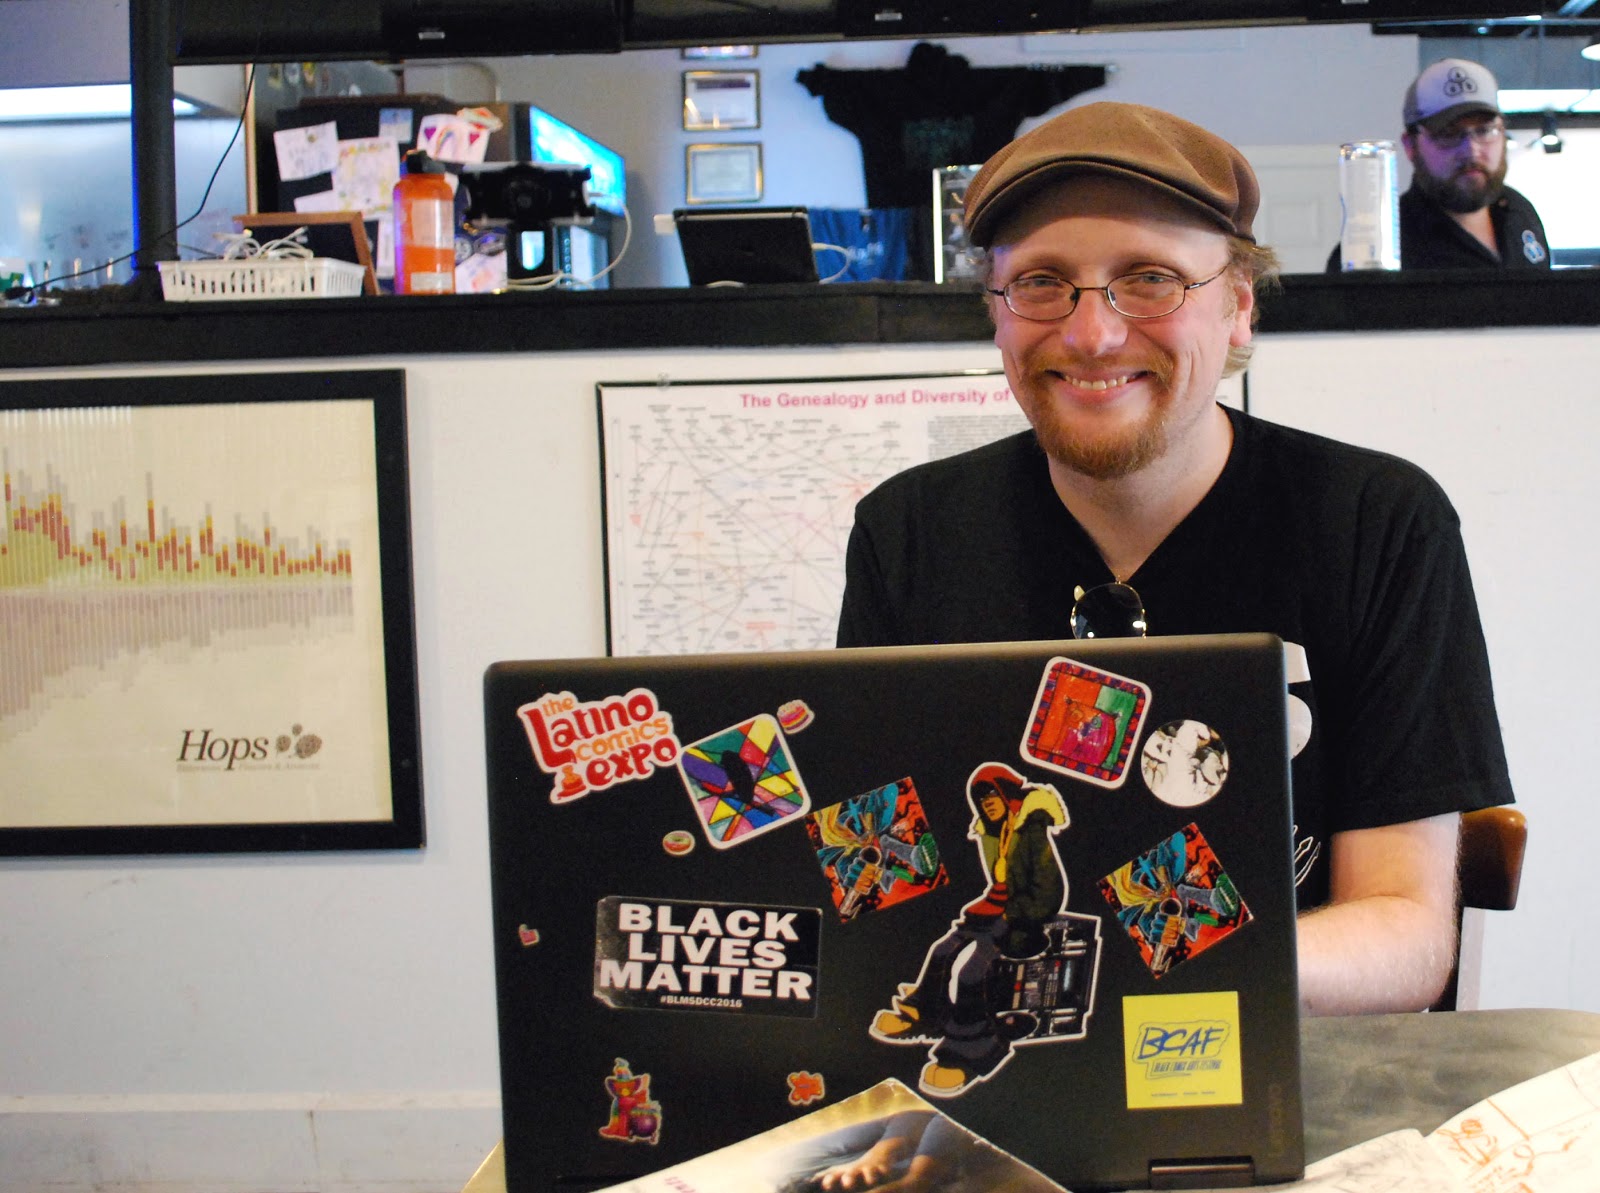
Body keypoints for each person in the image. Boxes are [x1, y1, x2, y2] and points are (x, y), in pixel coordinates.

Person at [836, 100, 1515, 1016]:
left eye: (1149, 279)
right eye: (1040, 282)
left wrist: (1125, 973)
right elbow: (876, 882)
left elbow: (1405, 932)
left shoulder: (1378, 523)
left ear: (1238, 308)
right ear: (997, 315)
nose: (1091, 334)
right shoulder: (907, 533)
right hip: (1000, 1081)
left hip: (1285, 1072)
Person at [1326, 58, 1551, 271]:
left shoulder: (1519, 211)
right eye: (1448, 134)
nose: (1471, 150)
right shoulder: (1378, 252)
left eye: (1484, 131)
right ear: (1410, 145)